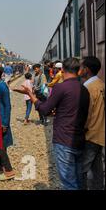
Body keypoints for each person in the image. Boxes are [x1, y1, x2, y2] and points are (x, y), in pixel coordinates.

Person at [24, 58, 90, 190]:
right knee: (79, 180)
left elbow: (44, 109)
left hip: (64, 139)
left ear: (62, 70)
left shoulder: (60, 87)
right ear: (78, 71)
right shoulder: (84, 89)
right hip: (79, 139)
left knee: (68, 183)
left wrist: (31, 95)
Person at [78, 56, 104, 190]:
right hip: (100, 133)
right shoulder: (101, 85)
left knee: (82, 169)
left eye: (81, 67)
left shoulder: (87, 88)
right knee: (97, 168)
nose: (79, 70)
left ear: (86, 70)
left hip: (90, 135)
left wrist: (80, 130)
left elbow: (85, 115)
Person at [0, 65, 15, 181]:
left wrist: (5, 123)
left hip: (1, 120)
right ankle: (1, 166)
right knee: (2, 145)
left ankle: (9, 170)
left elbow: (7, 105)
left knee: (0, 146)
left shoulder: (1, 86)